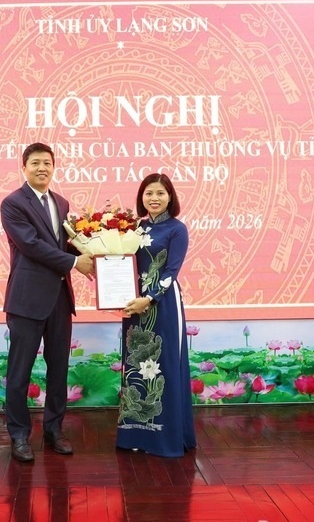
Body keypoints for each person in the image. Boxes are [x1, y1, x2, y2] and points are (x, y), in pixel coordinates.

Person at [0, 142, 94, 462]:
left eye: (48, 163)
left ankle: (54, 429)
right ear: (24, 167)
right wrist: (73, 264)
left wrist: (97, 253)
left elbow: (66, 247)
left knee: (59, 370)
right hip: (26, 300)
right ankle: (19, 435)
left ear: (54, 167)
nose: (43, 168)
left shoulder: (62, 203)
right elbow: (31, 245)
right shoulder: (13, 203)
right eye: (36, 163)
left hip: (59, 299)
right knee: (20, 371)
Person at [116, 172, 196, 457]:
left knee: (164, 366)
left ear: (170, 197)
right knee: (136, 365)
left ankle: (166, 439)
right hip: (134, 305)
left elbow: (171, 272)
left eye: (160, 193)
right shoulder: (133, 229)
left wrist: (149, 299)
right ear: (141, 198)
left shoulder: (177, 229)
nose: (154, 198)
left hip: (161, 304)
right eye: (148, 193)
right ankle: (135, 435)